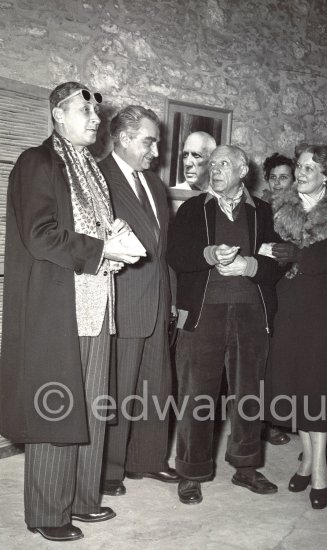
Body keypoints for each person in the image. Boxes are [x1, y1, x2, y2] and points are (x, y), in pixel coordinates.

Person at [0, 82, 144, 542]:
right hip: (57, 306)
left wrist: (114, 232)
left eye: (96, 112)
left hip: (99, 305)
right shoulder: (36, 162)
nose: (95, 118)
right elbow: (41, 235)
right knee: (56, 405)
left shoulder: (92, 169)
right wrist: (103, 247)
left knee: (95, 408)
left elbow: (86, 226)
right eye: (84, 110)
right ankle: (46, 512)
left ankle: (83, 498)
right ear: (58, 115)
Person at [167, 145, 283, 505]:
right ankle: (191, 471)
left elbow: (278, 259)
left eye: (223, 163)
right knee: (196, 396)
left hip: (251, 312)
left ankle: (246, 467)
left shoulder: (263, 211)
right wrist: (209, 255)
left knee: (249, 394)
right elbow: (175, 255)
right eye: (211, 162)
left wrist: (251, 267)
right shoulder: (192, 208)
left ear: (242, 170)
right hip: (203, 315)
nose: (214, 169)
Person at [266, 143, 327, 509]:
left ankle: (320, 470)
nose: (300, 173)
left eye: (309, 168)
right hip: (288, 306)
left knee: (317, 386)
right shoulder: (282, 208)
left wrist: (299, 256)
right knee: (294, 384)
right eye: (299, 166)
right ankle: (306, 458)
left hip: (325, 308)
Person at [99, 105, 178, 496]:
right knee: (120, 386)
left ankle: (149, 459)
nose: (155, 152)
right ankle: (110, 470)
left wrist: (173, 298)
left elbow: (164, 250)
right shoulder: (100, 177)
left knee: (156, 385)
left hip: (158, 300)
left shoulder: (154, 185)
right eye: (149, 141)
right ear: (125, 139)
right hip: (124, 299)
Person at [260, 152, 295, 446]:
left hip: (290, 287)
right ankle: (255, 421)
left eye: (284, 177)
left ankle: (275, 420)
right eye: (273, 177)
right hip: (262, 283)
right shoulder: (259, 207)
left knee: (281, 354)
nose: (278, 183)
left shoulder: (300, 208)